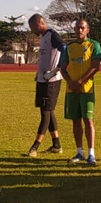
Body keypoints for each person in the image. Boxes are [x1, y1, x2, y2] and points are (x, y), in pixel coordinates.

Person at [61, 18, 101, 166]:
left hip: (86, 89)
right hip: (71, 90)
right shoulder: (69, 47)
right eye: (77, 27)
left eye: (82, 28)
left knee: (88, 120)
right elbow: (63, 68)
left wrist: (80, 81)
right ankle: (79, 151)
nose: (79, 30)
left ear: (87, 30)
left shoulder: (94, 45)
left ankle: (91, 153)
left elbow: (95, 67)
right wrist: (70, 82)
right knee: (76, 120)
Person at [25, 14, 64, 157]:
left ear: (38, 23)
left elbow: (64, 49)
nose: (32, 30)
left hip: (52, 81)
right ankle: (56, 145)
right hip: (42, 79)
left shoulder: (52, 35)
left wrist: (56, 70)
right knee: (47, 111)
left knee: (46, 113)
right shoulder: (43, 38)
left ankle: (35, 147)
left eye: (32, 27)